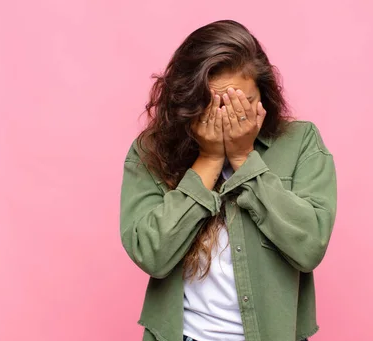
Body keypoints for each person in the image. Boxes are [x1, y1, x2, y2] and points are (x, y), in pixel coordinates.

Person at [120, 20, 337, 341]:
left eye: (243, 103)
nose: (231, 117)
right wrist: (208, 160)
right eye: (215, 105)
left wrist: (244, 159)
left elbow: (309, 248)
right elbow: (151, 255)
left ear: (264, 95)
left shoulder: (301, 142)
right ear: (189, 101)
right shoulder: (150, 151)